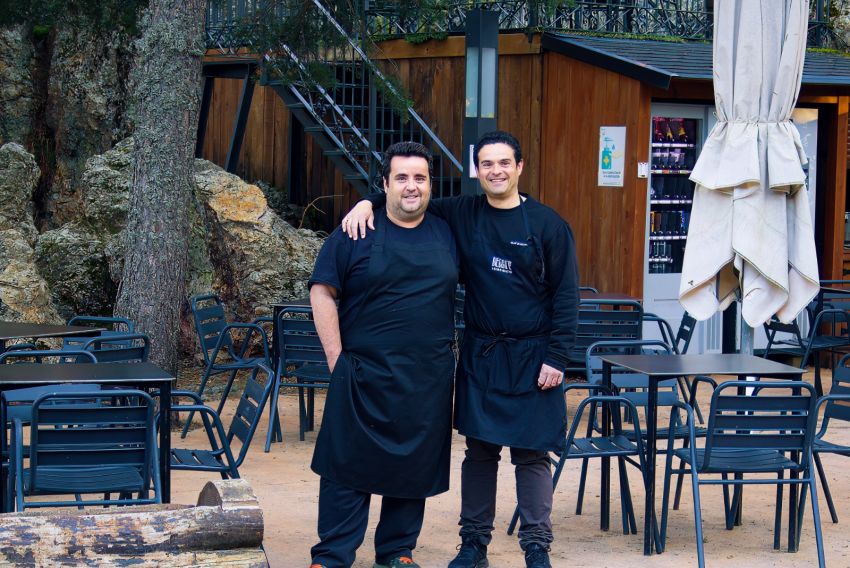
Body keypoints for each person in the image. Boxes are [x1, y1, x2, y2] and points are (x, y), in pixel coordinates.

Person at [341, 131, 579, 568]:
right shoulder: (463, 212)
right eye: (487, 164)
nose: (496, 171)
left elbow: (566, 296)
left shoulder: (548, 225)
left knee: (532, 455)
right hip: (481, 353)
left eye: (504, 163)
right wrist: (366, 202)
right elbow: (409, 197)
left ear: (520, 168)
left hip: (534, 357)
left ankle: (536, 547)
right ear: (477, 171)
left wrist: (557, 357)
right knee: (479, 453)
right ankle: (473, 545)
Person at [307, 141, 459, 568]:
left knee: (413, 469)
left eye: (420, 178)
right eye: (401, 178)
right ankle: (332, 556)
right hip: (361, 373)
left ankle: (397, 551)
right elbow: (322, 291)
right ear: (386, 183)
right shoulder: (356, 232)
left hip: (427, 378)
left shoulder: (447, 227)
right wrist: (336, 359)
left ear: (431, 184)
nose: (411, 187)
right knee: (345, 468)